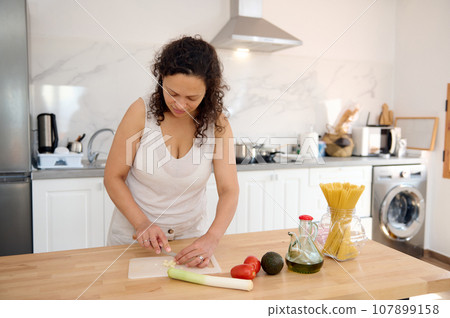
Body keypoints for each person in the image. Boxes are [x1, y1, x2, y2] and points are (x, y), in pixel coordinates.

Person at [104, 35, 239, 268]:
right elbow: (113, 177)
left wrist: (212, 237)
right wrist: (142, 224)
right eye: (172, 93)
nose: (180, 104)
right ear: (161, 80)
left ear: (208, 91)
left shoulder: (218, 125)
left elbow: (229, 190)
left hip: (190, 243)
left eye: (192, 98)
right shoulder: (140, 112)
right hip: (133, 240)